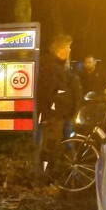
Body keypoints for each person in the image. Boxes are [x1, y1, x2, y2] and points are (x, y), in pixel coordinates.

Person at [36, 33, 78, 176]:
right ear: (60, 50)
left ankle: (49, 177)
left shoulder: (59, 67)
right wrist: (50, 114)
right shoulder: (51, 68)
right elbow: (48, 93)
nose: (70, 50)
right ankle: (44, 180)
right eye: (68, 47)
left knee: (54, 148)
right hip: (53, 117)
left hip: (59, 116)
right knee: (49, 149)